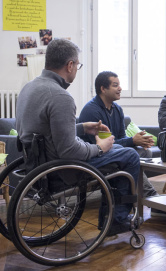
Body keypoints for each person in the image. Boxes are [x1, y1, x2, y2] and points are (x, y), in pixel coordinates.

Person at [15, 39, 140, 236]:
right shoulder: (60, 96)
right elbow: (69, 151)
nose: (76, 70)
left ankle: (112, 216)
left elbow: (46, 130)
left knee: (119, 151)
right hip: (62, 170)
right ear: (70, 65)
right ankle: (116, 220)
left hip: (36, 165)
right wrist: (100, 148)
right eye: (77, 65)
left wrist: (82, 127)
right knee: (130, 156)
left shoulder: (28, 88)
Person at [79, 71, 159, 198]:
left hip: (114, 150)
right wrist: (132, 141)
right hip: (98, 155)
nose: (120, 88)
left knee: (145, 152)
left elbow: (121, 137)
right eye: (115, 85)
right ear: (103, 89)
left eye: (119, 85)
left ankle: (132, 191)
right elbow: (104, 146)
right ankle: (150, 196)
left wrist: (138, 140)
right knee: (131, 155)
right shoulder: (91, 111)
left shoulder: (117, 109)